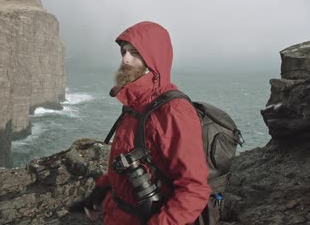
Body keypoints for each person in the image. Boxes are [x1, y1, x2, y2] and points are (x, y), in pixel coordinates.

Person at [71, 21, 211, 224]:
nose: (126, 59)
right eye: (124, 52)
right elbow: (125, 159)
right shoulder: (136, 104)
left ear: (153, 58)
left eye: (135, 52)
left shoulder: (173, 111)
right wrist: (99, 193)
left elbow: (194, 189)